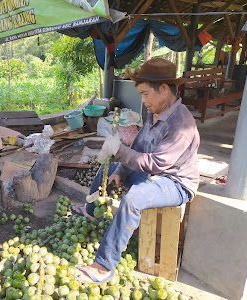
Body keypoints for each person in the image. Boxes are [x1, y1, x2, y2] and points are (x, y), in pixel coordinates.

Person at [71, 57, 200, 284]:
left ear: (163, 89)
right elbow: (139, 148)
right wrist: (120, 171)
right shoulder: (155, 112)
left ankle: (104, 265)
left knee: (133, 199)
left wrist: (119, 150)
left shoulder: (181, 124)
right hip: (154, 173)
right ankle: (91, 210)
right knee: (107, 167)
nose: (143, 100)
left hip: (175, 182)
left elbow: (157, 164)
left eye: (145, 94)